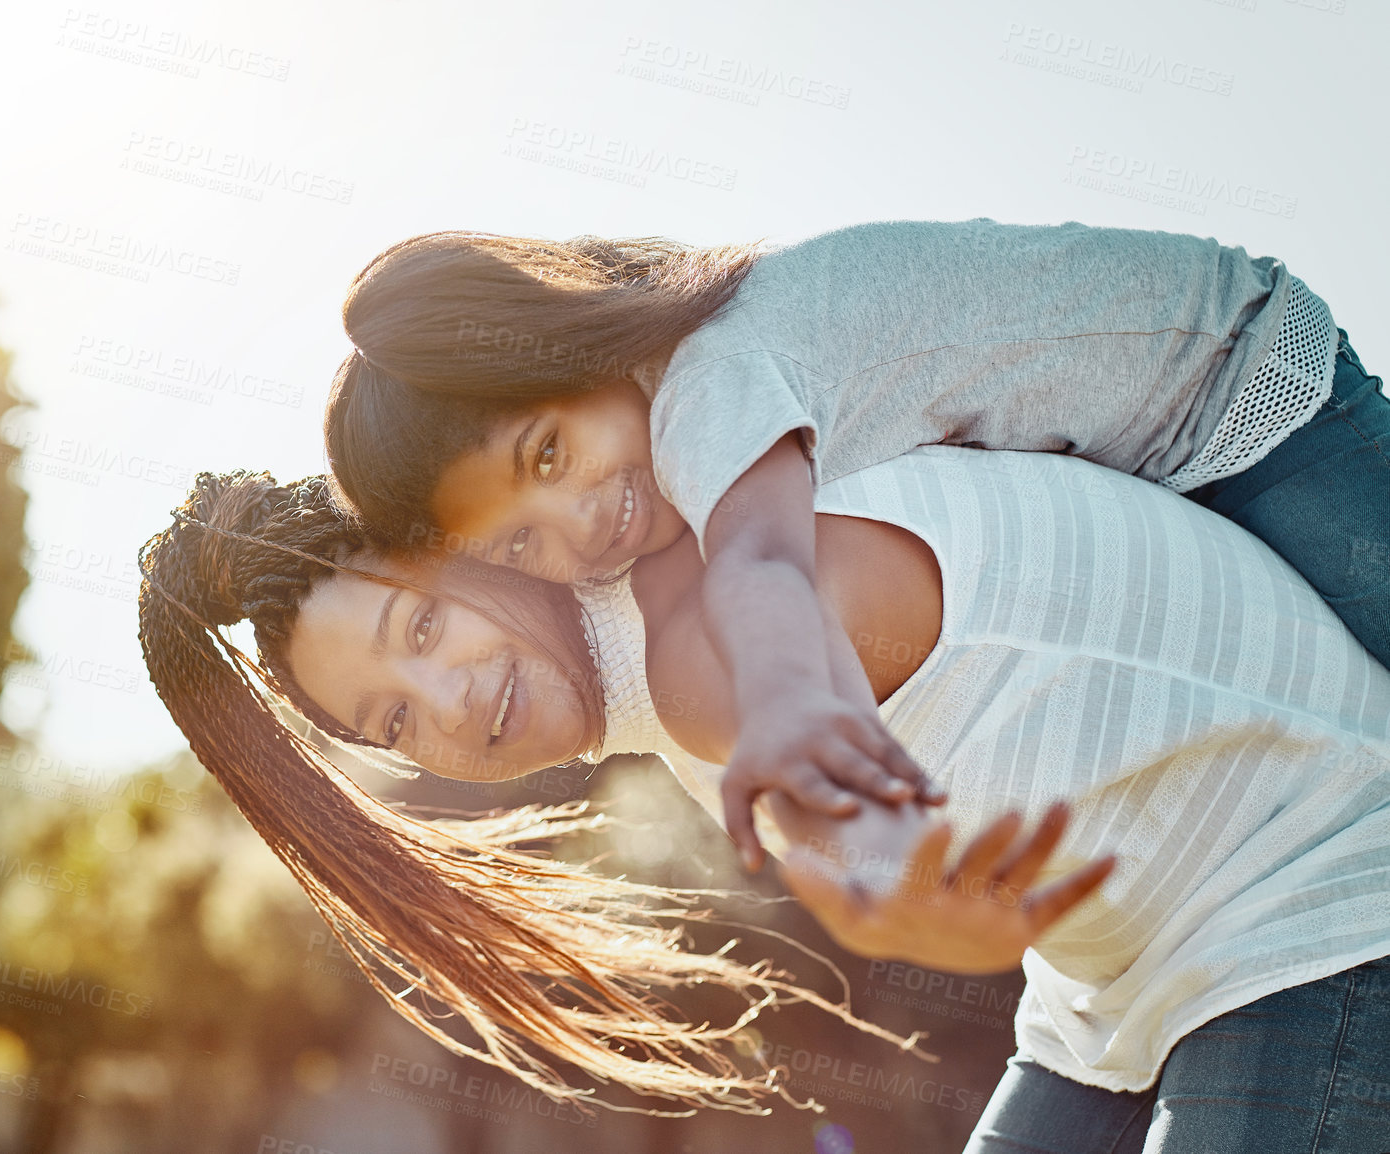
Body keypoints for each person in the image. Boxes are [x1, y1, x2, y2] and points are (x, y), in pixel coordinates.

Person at [143, 444, 1390, 1150]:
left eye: (423, 623)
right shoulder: (663, 594)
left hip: (1306, 890)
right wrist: (904, 910)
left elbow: (835, 809)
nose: (450, 701)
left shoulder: (700, 628)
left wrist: (893, 903)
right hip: (1116, 986)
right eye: (395, 720)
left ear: (467, 540)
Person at [321, 221, 1390, 876]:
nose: (578, 522)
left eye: (549, 452)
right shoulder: (649, 482)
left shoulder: (709, 379)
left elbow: (761, 564)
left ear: (572, 337)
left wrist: (792, 702)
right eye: (518, 538)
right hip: (1148, 452)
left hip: (1239, 384)